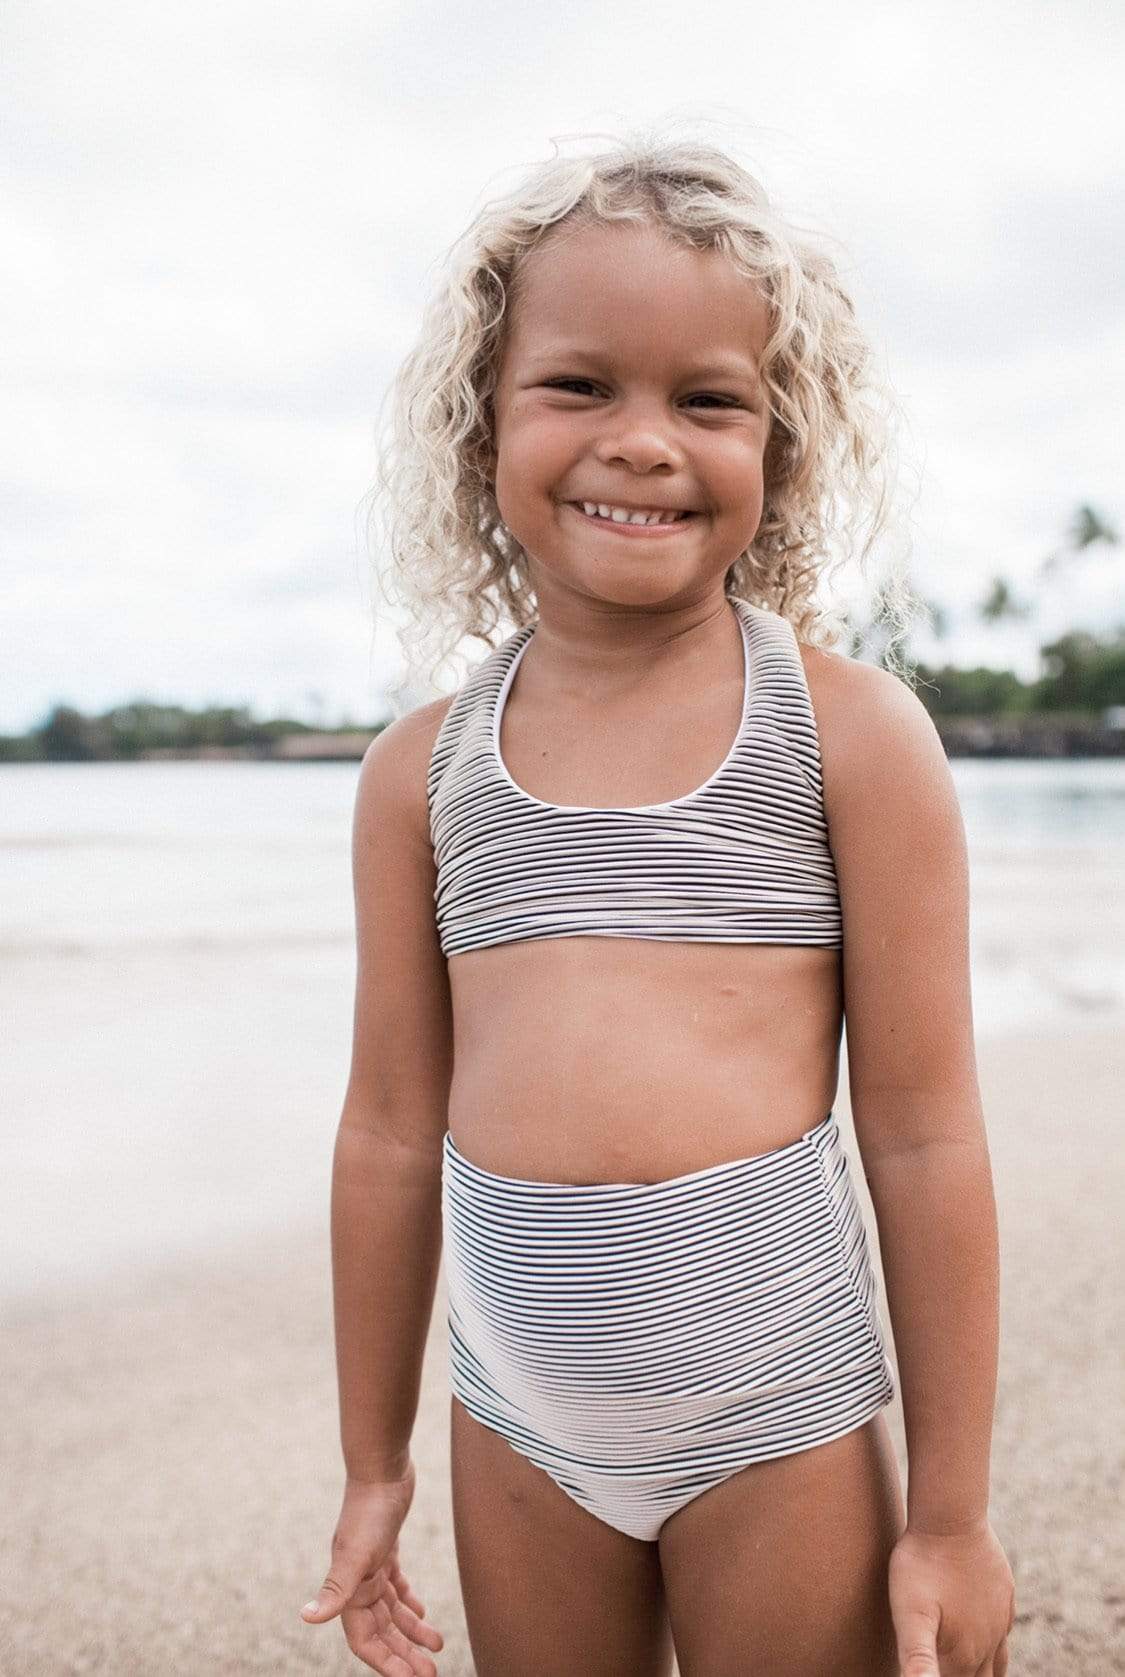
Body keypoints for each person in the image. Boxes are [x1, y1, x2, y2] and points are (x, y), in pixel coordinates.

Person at [300, 127, 1017, 1676]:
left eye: (706, 399)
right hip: (520, 1415)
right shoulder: (416, 774)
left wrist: (949, 1515)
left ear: (782, 445)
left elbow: (921, 1128)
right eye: (578, 385)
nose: (641, 440)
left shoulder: (846, 735)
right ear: (480, 423)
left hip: (779, 1410)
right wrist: (375, 1464)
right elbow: (382, 1125)